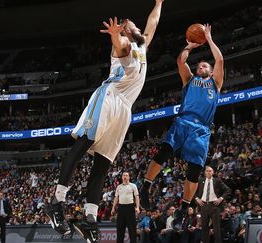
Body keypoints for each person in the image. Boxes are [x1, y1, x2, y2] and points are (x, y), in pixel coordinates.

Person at [45, 1, 164, 242]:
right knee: (81, 147)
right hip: (109, 98)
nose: (134, 24)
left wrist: (159, 3)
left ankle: (89, 219)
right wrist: (115, 35)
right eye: (130, 24)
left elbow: (153, 22)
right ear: (127, 31)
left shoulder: (142, 45)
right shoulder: (125, 46)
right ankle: (56, 202)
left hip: (124, 111)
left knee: (102, 166)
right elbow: (119, 46)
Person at [140, 24, 225, 222]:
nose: (200, 67)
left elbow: (219, 59)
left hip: (202, 129)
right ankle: (145, 187)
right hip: (183, 121)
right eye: (199, 66)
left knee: (194, 171)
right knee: (164, 152)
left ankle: (183, 209)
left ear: (211, 72)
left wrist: (209, 39)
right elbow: (180, 61)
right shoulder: (189, 80)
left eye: (205, 66)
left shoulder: (216, 83)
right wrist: (189, 47)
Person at [195, 166, 231, 243]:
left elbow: (228, 190)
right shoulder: (200, 180)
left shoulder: (217, 181)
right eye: (207, 171)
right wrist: (197, 199)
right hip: (203, 205)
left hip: (215, 206)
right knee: (204, 227)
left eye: (210, 171)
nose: (209, 172)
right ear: (205, 172)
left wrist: (220, 198)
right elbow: (193, 190)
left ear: (213, 172)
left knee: (216, 228)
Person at [111, 172, 140, 243]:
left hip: (130, 207)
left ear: (129, 177)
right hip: (121, 208)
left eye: (127, 175)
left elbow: (137, 197)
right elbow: (116, 198)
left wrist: (137, 207)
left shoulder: (133, 186)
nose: (125, 177)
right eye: (124, 175)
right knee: (120, 229)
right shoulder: (119, 187)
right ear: (122, 177)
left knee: (132, 229)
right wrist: (113, 208)